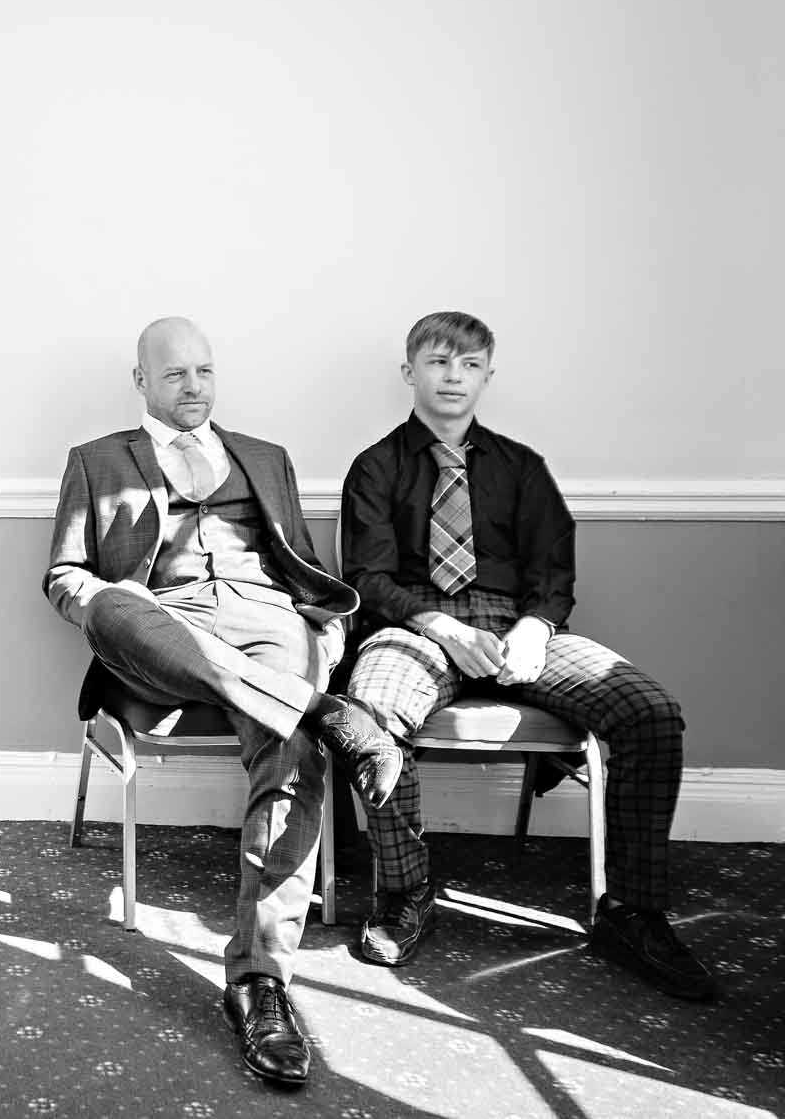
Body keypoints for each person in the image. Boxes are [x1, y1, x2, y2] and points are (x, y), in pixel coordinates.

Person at [44, 317, 402, 1087]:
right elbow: (66, 576)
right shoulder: (97, 460)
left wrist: (323, 639)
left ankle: (259, 982)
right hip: (160, 622)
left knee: (294, 748)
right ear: (141, 381)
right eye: (175, 375)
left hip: (265, 617)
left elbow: (307, 569)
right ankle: (323, 711)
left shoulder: (266, 458)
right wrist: (97, 599)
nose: (194, 387)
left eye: (204, 372)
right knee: (110, 604)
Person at [338, 310, 716, 1001]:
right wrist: (443, 630)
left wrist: (536, 629)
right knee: (372, 712)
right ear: (409, 372)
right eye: (437, 362)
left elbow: (554, 574)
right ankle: (403, 891)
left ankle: (632, 911)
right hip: (420, 628)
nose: (453, 376)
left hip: (518, 630)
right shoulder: (376, 468)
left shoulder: (520, 467)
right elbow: (367, 578)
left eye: (469, 364)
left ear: (487, 375)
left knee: (649, 711)